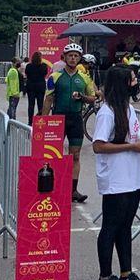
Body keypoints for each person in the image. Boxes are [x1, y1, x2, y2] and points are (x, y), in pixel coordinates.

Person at [90, 66, 140, 280]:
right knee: (111, 226)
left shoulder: (129, 108)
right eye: (132, 79)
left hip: (132, 176)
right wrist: (130, 146)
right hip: (116, 178)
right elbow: (98, 145)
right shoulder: (107, 112)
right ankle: (105, 276)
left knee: (125, 226)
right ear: (123, 83)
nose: (136, 82)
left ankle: (126, 272)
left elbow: (133, 135)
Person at [43, 44, 96, 204]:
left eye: (76, 56)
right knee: (53, 155)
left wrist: (83, 97)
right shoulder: (55, 77)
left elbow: (93, 97)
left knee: (75, 156)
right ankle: (52, 186)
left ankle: (73, 190)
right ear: (64, 57)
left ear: (80, 58)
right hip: (57, 120)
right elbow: (49, 98)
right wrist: (43, 121)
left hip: (75, 119)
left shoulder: (85, 77)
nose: (73, 58)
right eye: (70, 55)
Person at [23, 52, 50, 124]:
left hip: (31, 86)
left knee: (31, 105)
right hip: (40, 86)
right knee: (40, 104)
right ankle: (40, 121)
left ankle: (30, 121)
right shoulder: (44, 66)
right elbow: (45, 74)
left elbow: (26, 73)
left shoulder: (29, 66)